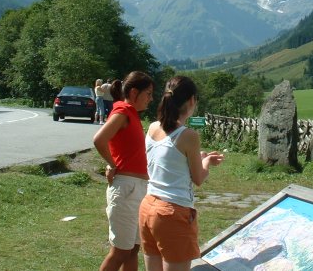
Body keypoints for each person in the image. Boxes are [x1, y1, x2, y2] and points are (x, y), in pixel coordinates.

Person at [139, 75, 224, 271]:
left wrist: (197, 158)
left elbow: (166, 161)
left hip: (148, 206)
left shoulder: (152, 128)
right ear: (192, 100)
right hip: (172, 212)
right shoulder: (189, 136)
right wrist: (206, 161)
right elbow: (198, 178)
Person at [93, 71, 155, 271]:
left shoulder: (131, 114)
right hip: (126, 189)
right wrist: (112, 164)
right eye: (149, 93)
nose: (151, 99)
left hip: (136, 189)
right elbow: (99, 140)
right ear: (135, 92)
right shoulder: (123, 111)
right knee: (120, 251)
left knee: (133, 249)